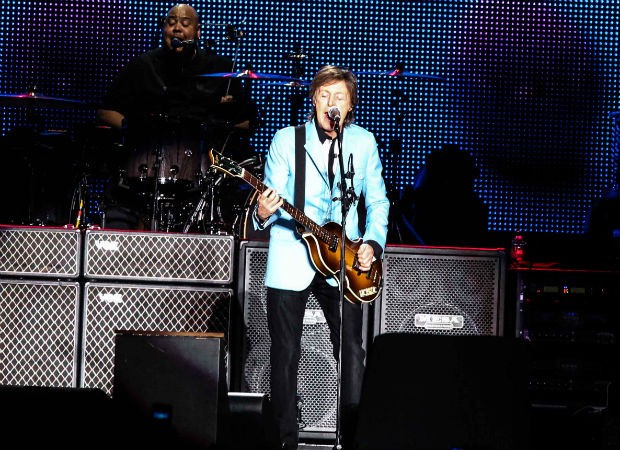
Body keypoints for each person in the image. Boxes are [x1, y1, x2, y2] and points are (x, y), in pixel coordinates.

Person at [253, 65, 390, 449]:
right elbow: (271, 198)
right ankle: (284, 441)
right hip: (292, 255)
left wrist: (371, 245)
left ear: (351, 107)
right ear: (313, 100)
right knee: (285, 354)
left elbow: (378, 201)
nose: (331, 104)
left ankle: (353, 438)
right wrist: (263, 211)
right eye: (324, 96)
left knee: (351, 352)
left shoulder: (363, 143)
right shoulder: (286, 140)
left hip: (345, 262)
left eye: (339, 98)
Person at [96, 3, 255, 231]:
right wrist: (132, 128)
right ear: (163, 30)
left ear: (198, 32)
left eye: (185, 23)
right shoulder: (143, 66)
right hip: (144, 164)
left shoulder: (220, 68)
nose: (177, 28)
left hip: (202, 168)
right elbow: (105, 111)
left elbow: (247, 121)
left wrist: (218, 130)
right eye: (171, 23)